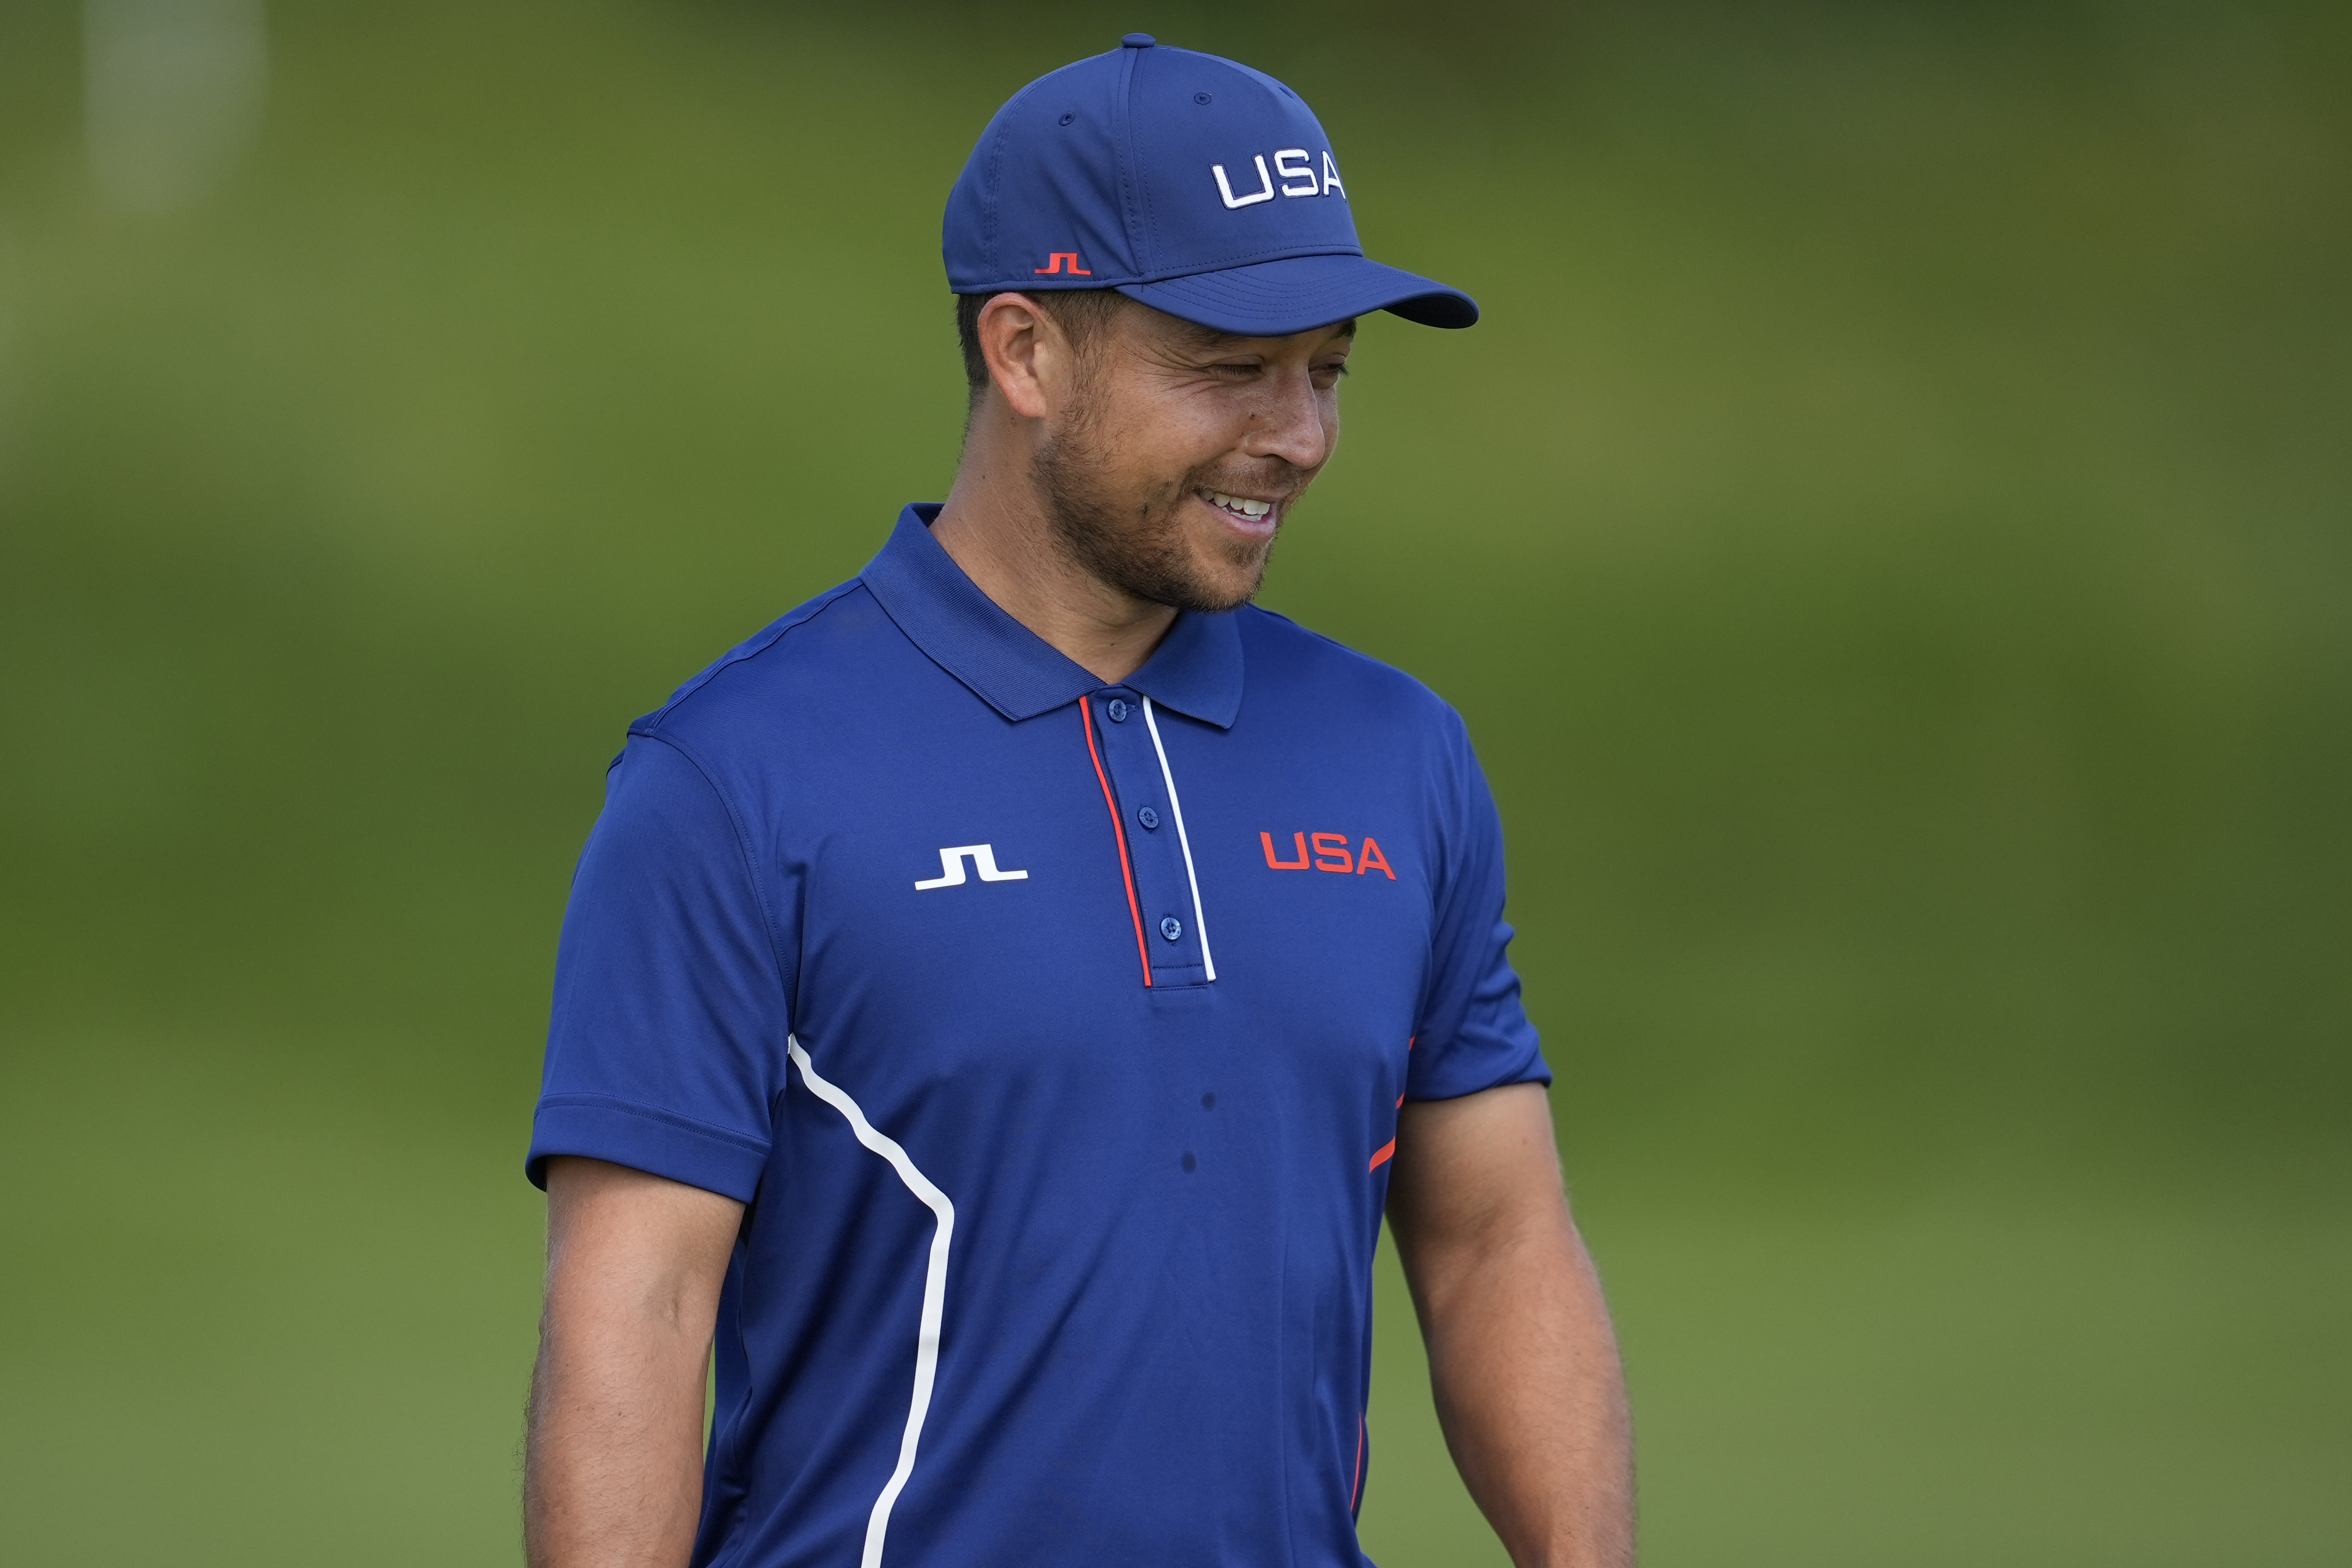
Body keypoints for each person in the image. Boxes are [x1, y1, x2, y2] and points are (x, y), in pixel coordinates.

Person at [522, 33, 1633, 1568]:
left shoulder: (1401, 755)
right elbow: (635, 1313)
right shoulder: (732, 780)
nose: (1298, 437)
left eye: (1327, 373)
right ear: (1027, 351)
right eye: (1232, 371)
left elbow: (1494, 1238)